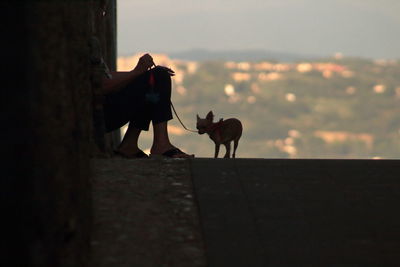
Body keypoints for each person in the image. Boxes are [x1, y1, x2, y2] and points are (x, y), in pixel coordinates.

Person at [102, 53, 193, 158]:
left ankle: (129, 145)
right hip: (100, 115)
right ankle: (161, 144)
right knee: (159, 76)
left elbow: (106, 77)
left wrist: (141, 74)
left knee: (155, 77)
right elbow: (102, 85)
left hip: (104, 110)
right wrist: (137, 71)